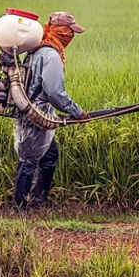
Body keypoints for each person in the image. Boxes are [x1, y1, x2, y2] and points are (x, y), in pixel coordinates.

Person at [11, 11, 89, 209]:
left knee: (49, 155)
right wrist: (77, 112)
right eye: (69, 32)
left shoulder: (36, 49)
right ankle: (19, 207)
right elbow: (54, 93)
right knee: (29, 159)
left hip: (33, 110)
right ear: (61, 31)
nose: (70, 36)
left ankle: (38, 201)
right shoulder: (51, 54)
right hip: (36, 114)